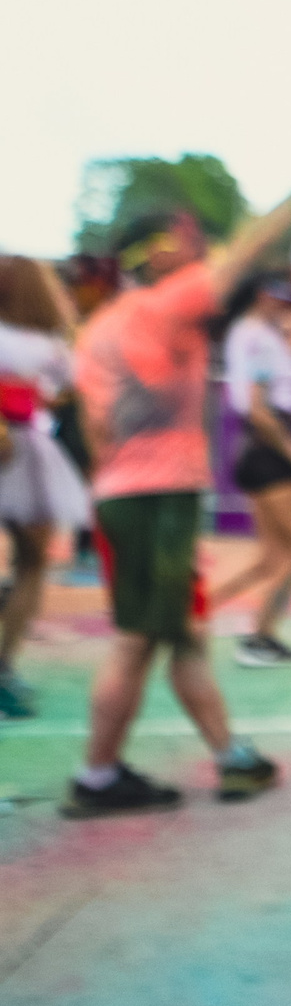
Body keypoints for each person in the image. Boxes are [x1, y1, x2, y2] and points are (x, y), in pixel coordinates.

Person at [62, 142, 291, 815]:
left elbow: (92, 437)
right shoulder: (169, 302)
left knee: (180, 633)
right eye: (182, 236)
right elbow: (250, 246)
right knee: (139, 640)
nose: (196, 245)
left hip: (122, 497)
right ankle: (97, 775)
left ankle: (227, 755)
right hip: (160, 498)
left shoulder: (98, 329)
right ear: (153, 252)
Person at [207, 276, 291, 667]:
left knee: (273, 557)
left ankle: (191, 615)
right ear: (266, 296)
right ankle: (260, 637)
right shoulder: (256, 336)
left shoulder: (254, 334)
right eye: (286, 301)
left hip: (261, 450)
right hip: (268, 452)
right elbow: (259, 411)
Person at [0, 256, 89, 715]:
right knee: (31, 561)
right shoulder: (48, 343)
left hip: (19, 446)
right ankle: (3, 667)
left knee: (30, 559)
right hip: (24, 449)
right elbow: (69, 386)